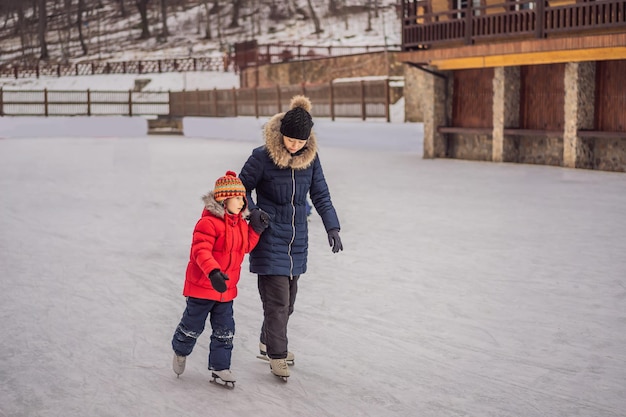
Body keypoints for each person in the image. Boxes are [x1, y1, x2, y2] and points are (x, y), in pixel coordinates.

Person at [239, 95, 343, 380]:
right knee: (277, 303)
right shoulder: (261, 157)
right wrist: (253, 212)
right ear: (281, 134)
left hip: (297, 241)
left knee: (289, 303)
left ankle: (267, 341)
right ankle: (276, 355)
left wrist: (332, 226)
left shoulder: (310, 160)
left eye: (300, 142)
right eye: (290, 140)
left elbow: (320, 194)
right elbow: (240, 189)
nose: (295, 146)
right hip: (269, 236)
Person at [171, 170, 269, 387]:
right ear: (223, 200)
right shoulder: (207, 224)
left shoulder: (240, 224)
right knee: (192, 327)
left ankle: (220, 367)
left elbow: (244, 248)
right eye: (236, 197)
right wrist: (213, 272)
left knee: (225, 331)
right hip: (202, 287)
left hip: (225, 291)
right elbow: (200, 251)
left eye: (242, 197)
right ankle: (180, 350)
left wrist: (257, 230)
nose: (242, 201)